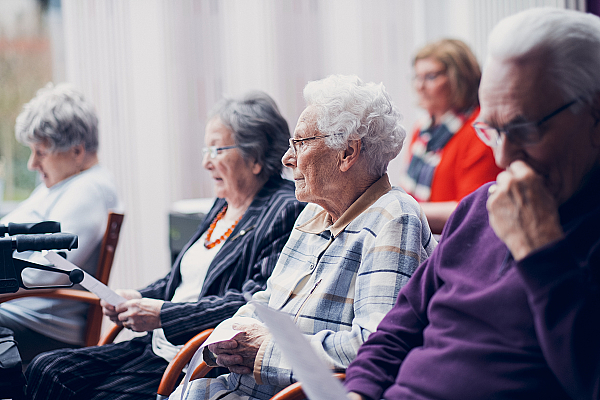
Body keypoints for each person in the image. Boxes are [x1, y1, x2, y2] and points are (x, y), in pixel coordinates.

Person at [344, 8, 600, 400]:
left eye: (524, 129)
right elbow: (395, 331)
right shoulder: (479, 208)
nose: (502, 157)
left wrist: (542, 252)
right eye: (492, 130)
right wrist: (358, 392)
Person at [25, 91, 305, 400]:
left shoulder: (283, 208)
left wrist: (163, 314)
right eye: (205, 149)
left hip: (194, 357)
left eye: (216, 149)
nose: (205, 162)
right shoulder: (223, 203)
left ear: (255, 157)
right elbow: (182, 279)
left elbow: (252, 301)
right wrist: (138, 297)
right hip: (158, 345)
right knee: (46, 369)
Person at [172, 75, 436, 400]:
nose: (287, 159)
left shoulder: (393, 217)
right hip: (241, 386)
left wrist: (267, 351)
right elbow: (269, 299)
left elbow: (373, 344)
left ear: (347, 153)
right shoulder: (313, 211)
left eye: (300, 143)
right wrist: (230, 336)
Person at [0, 83, 121, 365]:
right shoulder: (62, 184)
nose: (31, 164)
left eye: (40, 152)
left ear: (76, 152)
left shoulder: (88, 191)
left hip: (41, 326)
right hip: (21, 311)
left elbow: (46, 273)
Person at [400, 39, 502, 234]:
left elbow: (474, 209)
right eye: (416, 77)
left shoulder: (480, 130)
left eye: (430, 76)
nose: (419, 86)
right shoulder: (422, 127)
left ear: (459, 79)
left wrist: (401, 211)